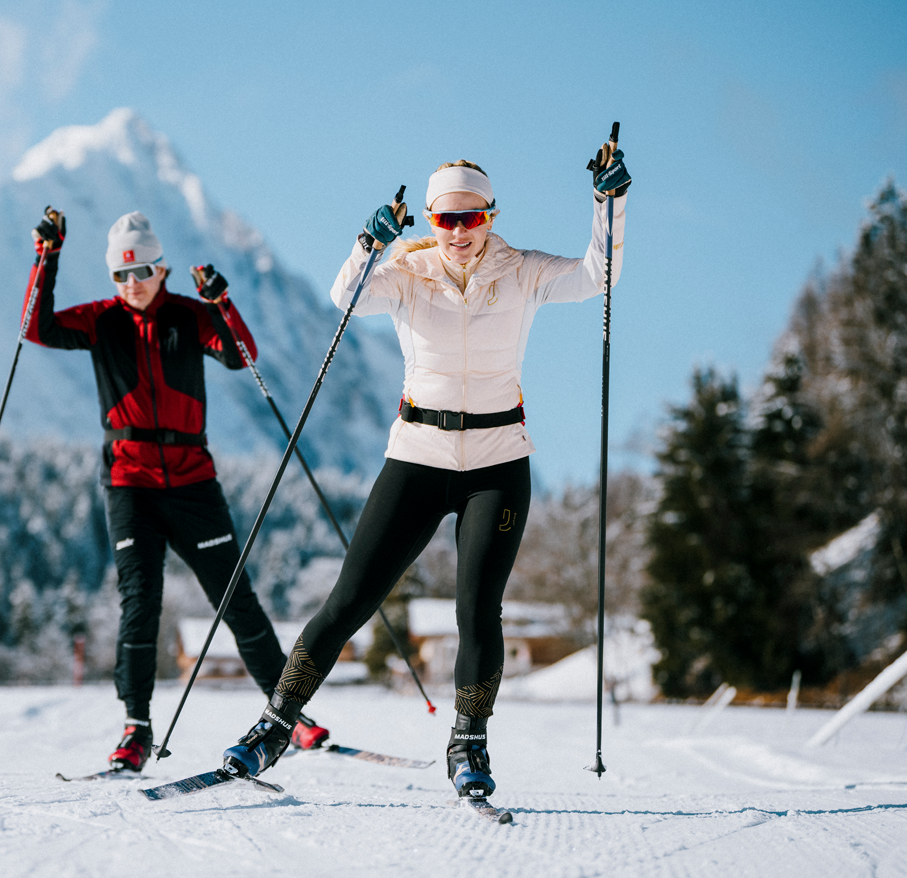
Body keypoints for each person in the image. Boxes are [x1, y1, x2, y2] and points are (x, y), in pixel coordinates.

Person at [217, 142, 632, 799]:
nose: (460, 232)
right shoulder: (407, 274)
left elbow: (595, 277)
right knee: (351, 598)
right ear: (430, 221)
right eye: (446, 220)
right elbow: (346, 297)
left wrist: (609, 203)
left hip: (497, 462)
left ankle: (469, 744)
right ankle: (275, 725)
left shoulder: (521, 272)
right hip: (417, 456)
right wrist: (369, 243)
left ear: (491, 216)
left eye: (472, 218)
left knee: (478, 609)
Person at [22, 209, 332, 772]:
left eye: (141, 270)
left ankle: (290, 715)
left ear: (161, 268)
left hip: (192, 480)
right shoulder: (100, 320)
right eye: (121, 275)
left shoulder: (189, 316)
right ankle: (135, 727)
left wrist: (220, 301)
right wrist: (49, 257)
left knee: (235, 599)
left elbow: (241, 356)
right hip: (129, 482)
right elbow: (35, 329)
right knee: (140, 604)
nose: (132, 283)